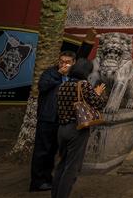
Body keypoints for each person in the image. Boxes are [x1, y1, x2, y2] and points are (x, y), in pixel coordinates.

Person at [29, 31, 96, 192]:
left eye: (67, 62)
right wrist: (58, 74)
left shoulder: (73, 77)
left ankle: (48, 179)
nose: (64, 64)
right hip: (47, 118)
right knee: (43, 151)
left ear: (73, 63)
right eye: (61, 61)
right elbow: (43, 86)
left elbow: (82, 58)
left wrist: (89, 40)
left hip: (62, 120)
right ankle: (37, 181)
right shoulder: (50, 73)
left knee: (55, 150)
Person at [51, 58, 107, 198]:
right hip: (77, 129)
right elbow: (99, 104)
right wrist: (98, 93)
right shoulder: (84, 85)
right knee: (72, 168)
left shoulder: (63, 85)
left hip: (62, 129)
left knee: (62, 164)